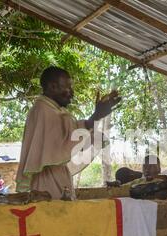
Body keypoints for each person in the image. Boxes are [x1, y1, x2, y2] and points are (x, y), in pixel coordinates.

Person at [16, 66, 121, 199]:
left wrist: (97, 116)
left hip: (59, 177)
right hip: (46, 181)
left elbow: (73, 137)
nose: (72, 93)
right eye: (68, 87)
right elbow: (66, 142)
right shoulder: (42, 110)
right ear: (53, 87)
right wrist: (95, 116)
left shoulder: (56, 111)